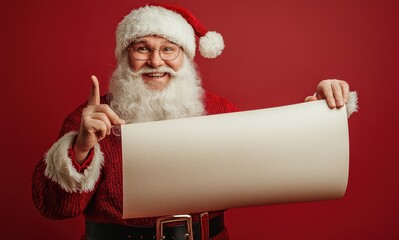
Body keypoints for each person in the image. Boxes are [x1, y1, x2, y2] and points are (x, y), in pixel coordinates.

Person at [32, 4, 356, 240]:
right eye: (142, 49)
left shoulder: (218, 110)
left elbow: (276, 152)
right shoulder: (90, 119)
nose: (156, 61)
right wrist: (81, 147)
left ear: (185, 57)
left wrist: (319, 111)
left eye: (168, 49)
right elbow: (53, 208)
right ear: (124, 56)